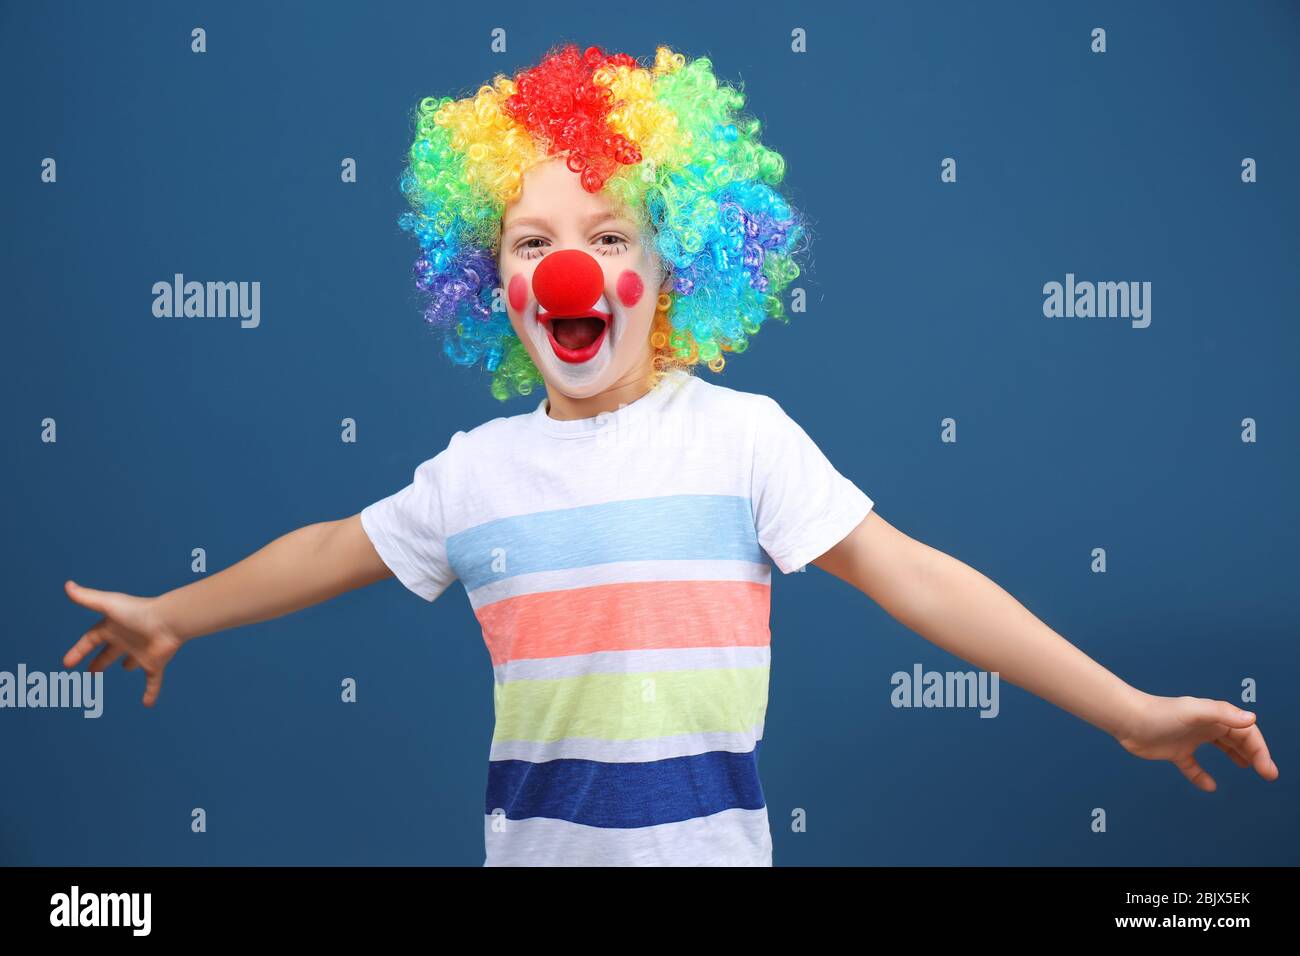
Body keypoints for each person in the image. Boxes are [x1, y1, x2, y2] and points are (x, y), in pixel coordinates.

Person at [62, 43, 1279, 867]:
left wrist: (1126, 710)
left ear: (676, 264)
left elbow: (919, 576)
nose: (570, 264)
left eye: (607, 233)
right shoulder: (473, 473)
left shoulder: (740, 438)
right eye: (532, 238)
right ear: (494, 280)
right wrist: (174, 613)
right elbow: (329, 549)